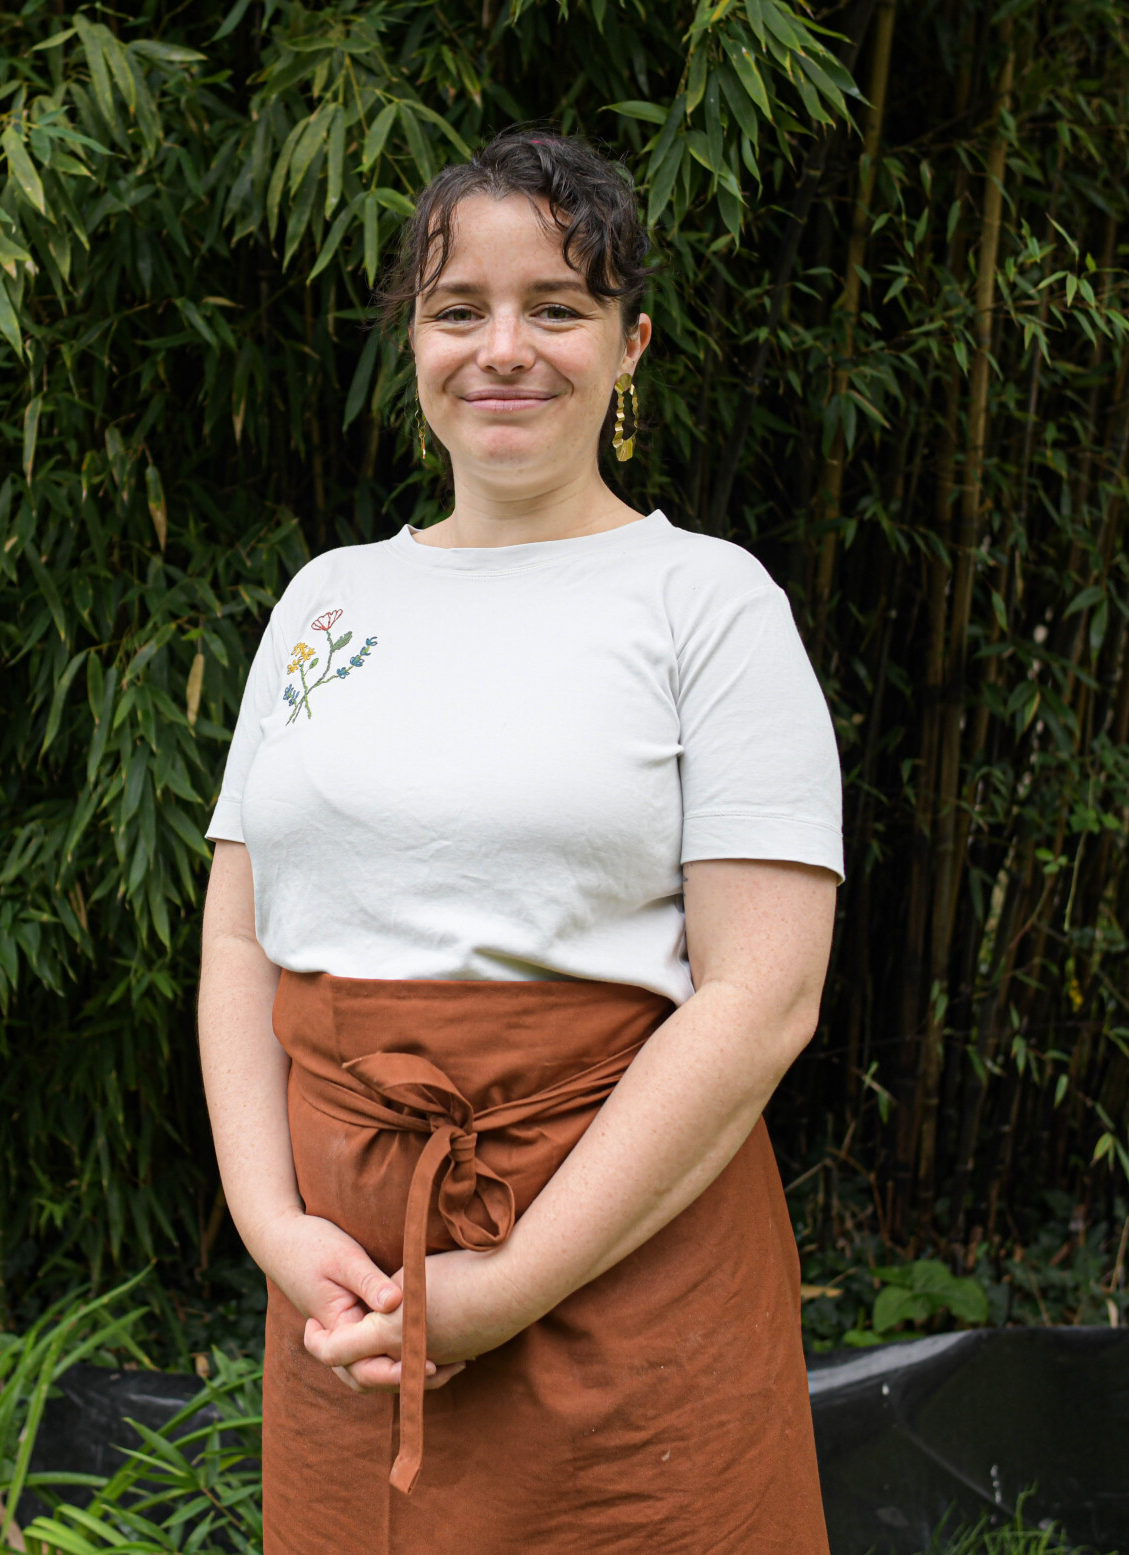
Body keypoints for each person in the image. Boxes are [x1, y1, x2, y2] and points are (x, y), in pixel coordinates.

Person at [198, 129, 842, 1554]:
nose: (504, 348)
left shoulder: (705, 605)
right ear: (410, 343)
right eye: (456, 310)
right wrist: (271, 1227)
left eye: (556, 306)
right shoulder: (326, 604)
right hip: (346, 1293)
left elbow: (760, 998)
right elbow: (240, 937)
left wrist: (501, 1288)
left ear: (630, 346)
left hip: (618, 1276)